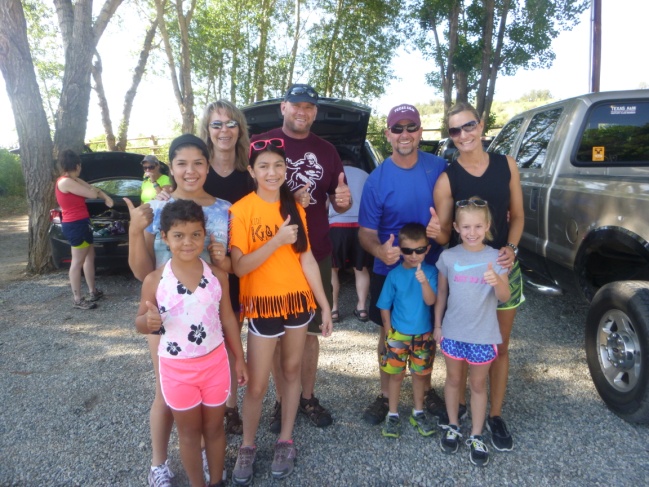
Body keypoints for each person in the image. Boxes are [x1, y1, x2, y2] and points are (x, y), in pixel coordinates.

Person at [125, 134, 232, 487]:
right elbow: (142, 271)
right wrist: (134, 230)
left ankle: (202, 453)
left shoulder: (224, 209)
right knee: (165, 395)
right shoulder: (156, 210)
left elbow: (227, 268)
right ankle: (159, 463)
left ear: (209, 165)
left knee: (203, 397)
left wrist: (223, 260)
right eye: (182, 163)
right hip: (166, 317)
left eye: (198, 163)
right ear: (171, 167)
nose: (191, 171)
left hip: (206, 317)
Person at [229, 141, 333, 485]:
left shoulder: (294, 208)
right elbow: (240, 267)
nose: (271, 173)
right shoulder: (241, 210)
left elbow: (306, 259)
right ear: (252, 171)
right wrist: (274, 240)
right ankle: (247, 445)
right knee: (257, 385)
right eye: (263, 166)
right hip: (263, 304)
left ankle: (285, 440)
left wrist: (324, 304)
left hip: (298, 303)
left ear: (285, 169)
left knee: (291, 372)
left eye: (277, 166)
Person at [250, 84, 351, 432]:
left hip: (314, 251)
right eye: (296, 105)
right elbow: (248, 191)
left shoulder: (326, 150)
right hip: (272, 253)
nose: (302, 112)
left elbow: (340, 200)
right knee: (278, 334)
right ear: (283, 107)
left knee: (308, 334)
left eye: (309, 107)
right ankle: (282, 400)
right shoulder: (261, 143)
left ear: (315, 112)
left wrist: (342, 201)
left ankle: (306, 397)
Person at [135, 199, 247, 487]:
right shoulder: (155, 280)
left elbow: (229, 320)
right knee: (188, 433)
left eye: (195, 234)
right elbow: (139, 322)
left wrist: (239, 358)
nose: (188, 242)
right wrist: (147, 322)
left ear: (204, 234)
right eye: (178, 235)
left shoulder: (218, 275)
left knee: (214, 428)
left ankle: (216, 482)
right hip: (176, 370)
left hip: (215, 364)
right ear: (164, 238)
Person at [432, 102, 524, 452]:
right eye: (454, 131)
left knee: (498, 347)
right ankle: (459, 420)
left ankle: (494, 417)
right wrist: (434, 231)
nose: (462, 135)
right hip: (467, 276)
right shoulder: (447, 178)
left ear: (481, 124)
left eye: (468, 126)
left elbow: (516, 217)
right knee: (461, 347)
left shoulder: (507, 165)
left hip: (502, 266)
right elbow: (444, 236)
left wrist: (512, 249)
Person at [358, 103, 447, 425]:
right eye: (398, 128)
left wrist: (445, 229)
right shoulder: (376, 180)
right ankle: (385, 395)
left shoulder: (439, 168)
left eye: (411, 127)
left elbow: (456, 215)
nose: (405, 134)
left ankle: (425, 390)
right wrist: (380, 252)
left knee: (429, 332)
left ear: (421, 132)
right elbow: (365, 232)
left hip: (432, 268)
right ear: (388, 135)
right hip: (390, 270)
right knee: (388, 332)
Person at [433, 198, 510, 467]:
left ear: (487, 225)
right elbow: (441, 294)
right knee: (453, 381)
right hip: (453, 332)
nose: (472, 232)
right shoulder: (448, 257)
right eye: (466, 226)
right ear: (456, 227)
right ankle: (453, 425)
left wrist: (497, 280)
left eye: (478, 226)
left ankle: (477, 434)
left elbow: (504, 297)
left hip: (483, 335)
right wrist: (438, 326)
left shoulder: (495, 257)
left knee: (478, 385)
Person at [198, 100, 255, 435]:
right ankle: (207, 405)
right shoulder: (197, 170)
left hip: (237, 271)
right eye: (216, 124)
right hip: (198, 274)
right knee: (205, 341)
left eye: (230, 124)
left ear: (240, 130)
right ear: (208, 130)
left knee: (233, 341)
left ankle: (230, 406)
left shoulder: (249, 173)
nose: (224, 131)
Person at [377, 223, 437, 439]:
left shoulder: (431, 272)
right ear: (400, 250)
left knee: (420, 376)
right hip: (398, 335)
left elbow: (431, 301)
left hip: (423, 335)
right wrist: (388, 329)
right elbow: (384, 304)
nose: (413, 256)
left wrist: (424, 283)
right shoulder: (394, 275)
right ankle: (392, 414)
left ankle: (418, 412)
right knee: (396, 376)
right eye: (407, 251)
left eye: (419, 250)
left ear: (427, 249)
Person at [55, 149, 113, 310]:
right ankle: (77, 299)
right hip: (74, 225)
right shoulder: (65, 182)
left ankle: (93, 291)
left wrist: (101, 194)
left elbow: (93, 190)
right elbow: (92, 194)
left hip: (82, 222)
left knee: (89, 257)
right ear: (77, 165)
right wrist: (97, 192)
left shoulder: (73, 180)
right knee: (77, 262)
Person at [328, 162, 372, 322]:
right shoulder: (365, 175)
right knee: (361, 269)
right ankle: (361, 309)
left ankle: (333, 310)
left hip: (336, 228)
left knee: (332, 270)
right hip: (360, 227)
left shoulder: (330, 173)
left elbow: (325, 203)